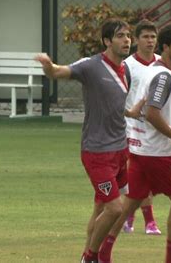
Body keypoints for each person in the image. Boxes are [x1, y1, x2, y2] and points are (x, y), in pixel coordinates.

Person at [35, 18, 144, 263]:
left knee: (104, 209)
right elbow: (58, 72)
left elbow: (115, 103)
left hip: (120, 149)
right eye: (120, 36)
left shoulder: (125, 69)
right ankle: (90, 256)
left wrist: (131, 112)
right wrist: (48, 65)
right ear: (107, 41)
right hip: (97, 152)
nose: (127, 40)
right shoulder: (91, 66)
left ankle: (92, 256)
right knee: (115, 208)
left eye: (128, 35)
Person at [99, 22, 171, 263]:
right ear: (166, 47)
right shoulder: (163, 76)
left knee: (129, 204)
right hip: (157, 153)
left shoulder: (155, 70)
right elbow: (152, 114)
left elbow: (143, 110)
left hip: (142, 149)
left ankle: (103, 251)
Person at [122, 19, 162, 236]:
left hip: (156, 127)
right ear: (136, 40)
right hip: (131, 128)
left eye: (153, 37)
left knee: (142, 177)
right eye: (145, 37)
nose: (150, 41)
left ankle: (129, 216)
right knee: (140, 174)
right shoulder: (127, 65)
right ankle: (150, 221)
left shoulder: (162, 64)